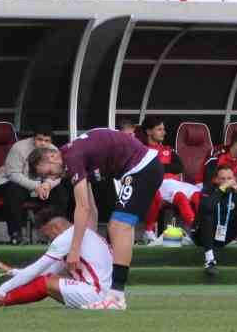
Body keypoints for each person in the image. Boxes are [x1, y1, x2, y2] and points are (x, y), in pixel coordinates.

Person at [27, 126, 169, 310]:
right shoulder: (70, 158)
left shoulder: (72, 157)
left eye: (47, 173)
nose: (51, 177)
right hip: (140, 168)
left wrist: (75, 250)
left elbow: (83, 208)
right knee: (117, 226)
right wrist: (88, 247)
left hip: (142, 168)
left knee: (118, 226)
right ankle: (114, 293)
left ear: (53, 157)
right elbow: (92, 210)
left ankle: (116, 296)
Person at [0, 204, 117, 311]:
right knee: (47, 279)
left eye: (46, 235)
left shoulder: (66, 237)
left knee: (46, 283)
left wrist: (3, 289)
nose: (49, 240)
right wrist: (15, 272)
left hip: (96, 293)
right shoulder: (82, 232)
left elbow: (38, 271)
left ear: (54, 227)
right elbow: (48, 270)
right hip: (105, 292)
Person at [0, 128, 57, 244]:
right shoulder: (19, 148)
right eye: (40, 139)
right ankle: (16, 235)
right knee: (14, 191)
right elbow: (13, 174)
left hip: (39, 187)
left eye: (47, 141)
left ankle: (54, 234)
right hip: (9, 182)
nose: (43, 143)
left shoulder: (54, 151)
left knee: (61, 193)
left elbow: (57, 174)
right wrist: (36, 186)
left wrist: (48, 185)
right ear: (33, 139)